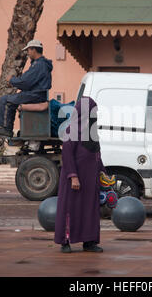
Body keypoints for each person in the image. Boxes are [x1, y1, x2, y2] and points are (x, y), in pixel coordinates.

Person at [54, 96, 107, 253]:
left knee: (89, 210)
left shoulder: (92, 133)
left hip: (91, 179)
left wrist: (104, 174)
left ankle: (89, 242)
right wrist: (73, 176)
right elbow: (67, 156)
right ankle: (65, 241)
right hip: (75, 180)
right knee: (70, 209)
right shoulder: (71, 130)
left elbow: (97, 156)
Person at [0, 39, 53, 137]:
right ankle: (8, 129)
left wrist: (11, 80)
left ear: (34, 50)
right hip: (37, 94)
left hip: (34, 95)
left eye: (28, 50)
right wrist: (15, 82)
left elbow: (25, 82)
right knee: (11, 102)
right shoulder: (40, 64)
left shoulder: (39, 65)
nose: (27, 53)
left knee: (4, 100)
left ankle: (4, 128)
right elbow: (27, 81)